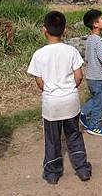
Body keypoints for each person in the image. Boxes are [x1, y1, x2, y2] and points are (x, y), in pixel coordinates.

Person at [27, 11, 92, 184]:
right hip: (70, 101)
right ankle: (82, 168)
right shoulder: (71, 51)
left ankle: (52, 173)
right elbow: (78, 76)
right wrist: (71, 87)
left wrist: (48, 89)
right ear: (64, 31)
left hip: (51, 104)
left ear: (44, 30)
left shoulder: (39, 54)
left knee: (52, 139)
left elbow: (39, 81)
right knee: (74, 135)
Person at [80, 9, 102, 137]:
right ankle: (94, 126)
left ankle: (83, 113)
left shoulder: (89, 40)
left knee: (96, 99)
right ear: (96, 24)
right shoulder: (99, 41)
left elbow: (87, 58)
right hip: (98, 77)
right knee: (100, 103)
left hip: (90, 76)